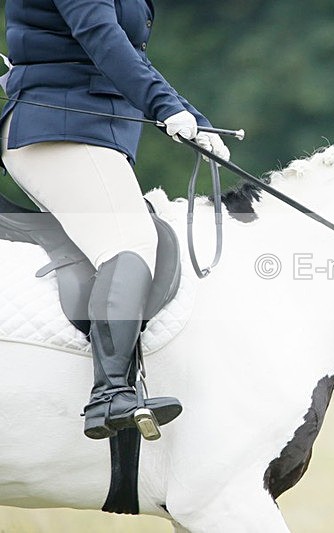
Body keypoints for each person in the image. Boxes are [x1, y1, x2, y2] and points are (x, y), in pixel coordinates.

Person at [0, 0, 230, 440]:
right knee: (130, 242)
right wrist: (164, 107)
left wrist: (196, 122)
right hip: (55, 129)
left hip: (87, 131)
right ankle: (109, 394)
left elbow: (131, 55)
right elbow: (104, 40)